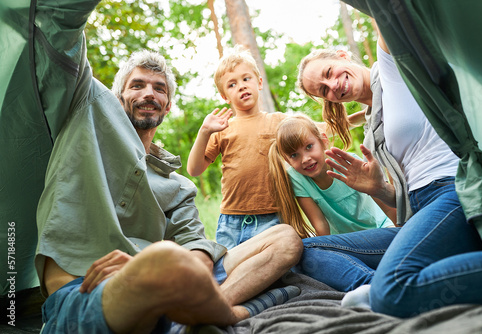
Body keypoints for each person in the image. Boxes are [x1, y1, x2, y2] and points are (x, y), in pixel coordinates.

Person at [34, 5, 303, 333]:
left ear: (168, 105)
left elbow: (195, 243)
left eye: (159, 88)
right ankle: (210, 311)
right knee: (165, 259)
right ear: (117, 97)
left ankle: (203, 306)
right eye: (137, 85)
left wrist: (192, 263)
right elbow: (59, 26)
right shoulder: (86, 110)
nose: (149, 92)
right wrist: (153, 266)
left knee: (286, 238)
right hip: (89, 289)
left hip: (174, 277)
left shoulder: (177, 185)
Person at [293, 28, 482, 318]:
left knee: (395, 288)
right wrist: (377, 188)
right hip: (421, 210)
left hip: (453, 191)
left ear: (342, 56)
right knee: (308, 250)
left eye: (329, 72)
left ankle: (387, 293)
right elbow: (401, 199)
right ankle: (377, 289)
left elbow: (386, 18)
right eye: (323, 90)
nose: (333, 85)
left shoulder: (391, 71)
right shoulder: (371, 135)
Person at [186, 45, 289, 250]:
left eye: (246, 79)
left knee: (274, 266)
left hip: (273, 216)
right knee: (231, 271)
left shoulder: (280, 121)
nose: (241, 86)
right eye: (231, 84)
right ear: (225, 96)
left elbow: (316, 131)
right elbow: (194, 169)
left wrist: (348, 120)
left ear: (259, 83)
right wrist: (204, 132)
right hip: (232, 221)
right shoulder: (221, 129)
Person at [268, 114, 395, 238]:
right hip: (346, 241)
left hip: (381, 228)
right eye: (294, 155)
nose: (305, 159)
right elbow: (320, 223)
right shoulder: (297, 178)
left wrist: (398, 229)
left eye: (309, 147)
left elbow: (386, 205)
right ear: (287, 160)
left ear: (323, 141)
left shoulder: (349, 165)